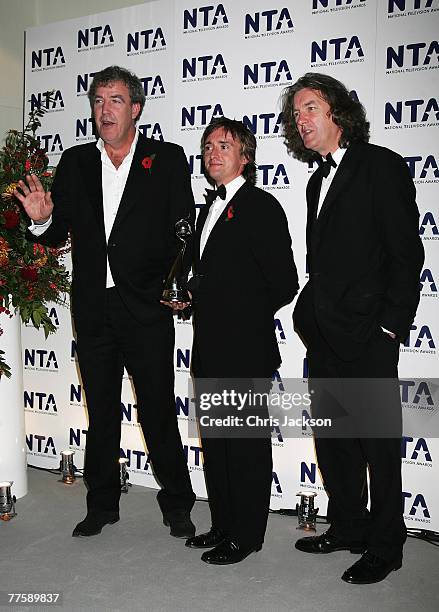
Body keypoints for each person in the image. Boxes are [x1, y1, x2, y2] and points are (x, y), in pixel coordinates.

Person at [15, 65, 196, 539]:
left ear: (135, 108)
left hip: (147, 308)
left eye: (115, 100)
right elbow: (56, 233)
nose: (104, 110)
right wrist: (39, 220)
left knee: (157, 411)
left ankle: (177, 502)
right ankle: (102, 505)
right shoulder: (75, 162)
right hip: (95, 309)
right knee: (100, 412)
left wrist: (178, 288)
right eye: (98, 101)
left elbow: (185, 234)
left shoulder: (168, 158)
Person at [280, 73, 424, 584]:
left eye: (311, 107)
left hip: (368, 334)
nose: (302, 119)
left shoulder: (378, 165)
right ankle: (348, 527)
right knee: (334, 441)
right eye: (297, 113)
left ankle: (387, 544)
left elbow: (407, 254)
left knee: (377, 447)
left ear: (338, 113)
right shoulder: (317, 179)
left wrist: (390, 327)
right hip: (322, 334)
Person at [183, 118, 299, 564]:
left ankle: (247, 536)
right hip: (208, 345)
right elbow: (210, 277)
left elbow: (284, 283)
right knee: (216, 444)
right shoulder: (204, 210)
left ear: (245, 157)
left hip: (245, 347)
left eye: (224, 145)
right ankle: (223, 524)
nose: (214, 152)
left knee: (245, 448)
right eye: (208, 145)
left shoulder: (260, 205)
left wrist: (236, 308)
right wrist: (189, 298)